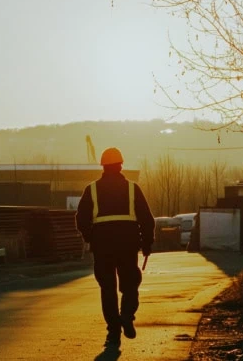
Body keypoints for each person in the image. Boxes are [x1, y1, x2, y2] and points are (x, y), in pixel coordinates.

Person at [75, 147, 155, 349]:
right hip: (127, 245)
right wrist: (147, 243)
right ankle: (127, 315)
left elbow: (81, 218)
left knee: (107, 288)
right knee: (130, 283)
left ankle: (113, 332)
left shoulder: (91, 189)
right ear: (121, 165)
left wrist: (90, 237)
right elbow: (147, 219)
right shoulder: (132, 188)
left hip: (102, 247)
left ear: (103, 166)